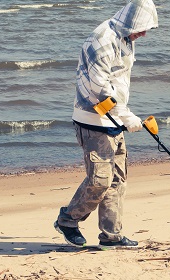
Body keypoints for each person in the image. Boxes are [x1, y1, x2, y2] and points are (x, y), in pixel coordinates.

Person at [54, 0, 158, 248]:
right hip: (92, 120)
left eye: (147, 29)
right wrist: (125, 115)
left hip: (115, 119)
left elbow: (118, 80)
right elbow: (99, 87)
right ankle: (68, 220)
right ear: (130, 20)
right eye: (142, 27)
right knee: (99, 181)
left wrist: (123, 116)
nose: (143, 33)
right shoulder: (101, 40)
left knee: (116, 180)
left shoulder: (125, 39)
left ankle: (111, 236)